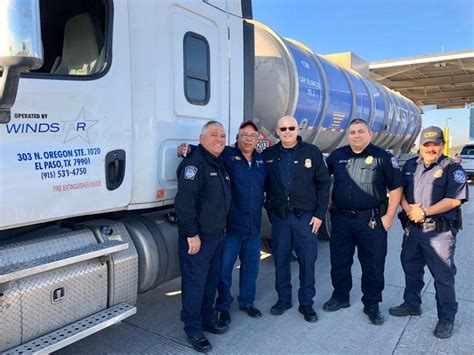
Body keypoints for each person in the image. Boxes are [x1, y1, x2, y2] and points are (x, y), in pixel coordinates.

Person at [178, 120, 267, 324]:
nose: (248, 139)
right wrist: (186, 149)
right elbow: (205, 151)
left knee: (251, 269)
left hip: (253, 227)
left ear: (257, 139)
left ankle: (247, 302)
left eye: (252, 136)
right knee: (222, 271)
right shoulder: (226, 154)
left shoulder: (262, 162)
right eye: (244, 134)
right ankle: (223, 306)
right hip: (232, 227)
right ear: (238, 137)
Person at [389, 126, 468, 339]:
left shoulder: (452, 168)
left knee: (443, 276)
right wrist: (408, 210)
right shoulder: (410, 165)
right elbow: (400, 192)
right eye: (427, 144)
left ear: (442, 145)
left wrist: (423, 212)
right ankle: (412, 304)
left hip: (439, 233)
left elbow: (454, 199)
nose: (431, 148)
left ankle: (446, 318)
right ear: (420, 146)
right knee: (411, 268)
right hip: (412, 230)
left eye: (435, 144)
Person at [324, 118, 403, 325]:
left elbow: (396, 187)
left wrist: (389, 216)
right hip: (340, 220)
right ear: (347, 134)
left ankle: (372, 304)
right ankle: (340, 296)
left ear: (370, 134)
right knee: (339, 261)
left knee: (373, 265)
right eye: (352, 132)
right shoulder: (337, 156)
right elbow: (322, 180)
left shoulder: (383, 157)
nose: (356, 135)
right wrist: (328, 201)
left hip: (372, 221)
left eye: (361, 131)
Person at [262, 115, 330, 323]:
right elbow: (261, 183)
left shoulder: (312, 152)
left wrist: (319, 214)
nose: (287, 132)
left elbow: (324, 185)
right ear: (277, 131)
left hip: (305, 219)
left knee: (307, 262)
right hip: (281, 219)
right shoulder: (269, 155)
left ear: (297, 129)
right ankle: (283, 299)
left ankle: (306, 304)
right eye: (283, 129)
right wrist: (271, 208)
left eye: (291, 128)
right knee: (281, 260)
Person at [175, 120, 232, 353]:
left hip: (217, 236)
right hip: (199, 238)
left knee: (210, 281)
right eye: (213, 135)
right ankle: (193, 329)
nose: (219, 139)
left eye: (222, 135)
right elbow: (184, 203)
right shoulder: (194, 165)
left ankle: (207, 318)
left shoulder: (218, 161)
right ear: (201, 139)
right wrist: (192, 234)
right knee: (195, 284)